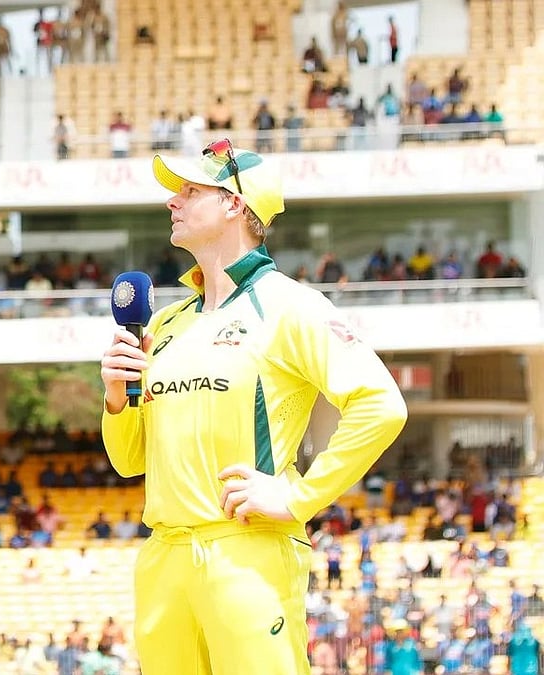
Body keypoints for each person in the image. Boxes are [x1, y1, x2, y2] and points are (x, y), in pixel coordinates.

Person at [98, 138, 407, 675]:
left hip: (248, 551)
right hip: (163, 556)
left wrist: (300, 496)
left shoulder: (292, 305)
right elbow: (130, 461)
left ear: (236, 204)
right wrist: (114, 400)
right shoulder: (166, 323)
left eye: (190, 190)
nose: (172, 201)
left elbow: (381, 406)